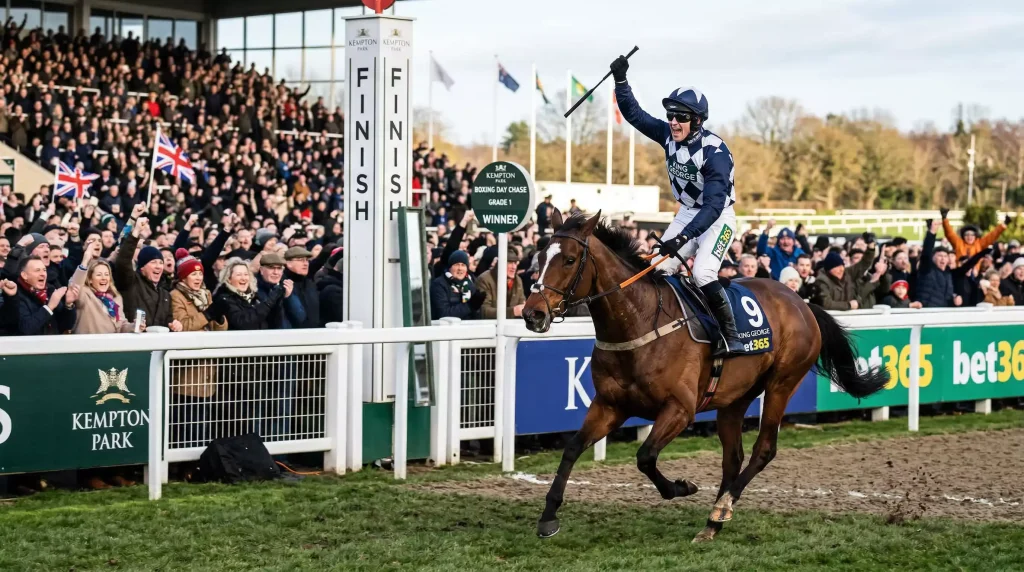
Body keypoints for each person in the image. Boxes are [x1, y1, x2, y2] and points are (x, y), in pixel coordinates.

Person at [611, 54, 741, 355]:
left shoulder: (715, 152)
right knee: (657, 269)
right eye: (671, 115)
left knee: (703, 274)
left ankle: (731, 336)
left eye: (681, 117)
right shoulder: (667, 136)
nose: (673, 122)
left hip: (717, 217)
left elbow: (712, 207)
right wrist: (621, 81)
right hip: (687, 212)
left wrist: (683, 237)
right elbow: (635, 115)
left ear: (697, 121)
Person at [115, 203, 179, 331]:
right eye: (153, 262)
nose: (159, 266)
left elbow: (167, 320)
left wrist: (174, 325)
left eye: (160, 263)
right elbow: (123, 260)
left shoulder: (165, 294)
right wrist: (136, 232)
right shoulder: (131, 282)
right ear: (142, 267)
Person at [69, 240, 135, 334]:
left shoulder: (116, 298)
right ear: (90, 279)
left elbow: (121, 326)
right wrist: (85, 260)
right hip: (88, 346)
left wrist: (134, 326)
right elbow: (75, 286)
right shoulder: (85, 294)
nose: (104, 278)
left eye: (106, 274)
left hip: (110, 346)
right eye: (99, 275)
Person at [8, 255, 78, 335]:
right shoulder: (15, 296)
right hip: (29, 346)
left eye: (44, 270)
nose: (43, 274)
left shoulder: (50, 291)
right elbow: (26, 328)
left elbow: (65, 326)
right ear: (24, 275)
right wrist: (49, 307)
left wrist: (68, 305)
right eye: (37, 270)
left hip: (52, 345)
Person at [915, 220, 961, 308]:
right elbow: (926, 252)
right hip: (927, 311)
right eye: (940, 256)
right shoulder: (927, 269)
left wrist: (955, 299)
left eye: (945, 256)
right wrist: (932, 233)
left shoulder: (948, 274)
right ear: (933, 258)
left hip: (943, 313)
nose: (943, 258)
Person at [430, 250, 485, 320]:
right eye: (456, 265)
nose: (460, 268)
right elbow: (443, 314)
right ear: (450, 268)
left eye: (463, 265)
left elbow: (476, 314)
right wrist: (469, 306)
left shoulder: (470, 283)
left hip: (469, 327)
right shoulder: (439, 285)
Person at [940, 208, 1008, 261]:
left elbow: (992, 235)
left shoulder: (979, 244)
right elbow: (950, 234)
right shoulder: (958, 243)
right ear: (963, 236)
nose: (969, 237)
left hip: (974, 275)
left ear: (975, 236)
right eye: (967, 234)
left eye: (972, 234)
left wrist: (1003, 225)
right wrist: (944, 219)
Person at [477, 247, 526, 319]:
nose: (514, 267)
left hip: (511, 326)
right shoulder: (484, 280)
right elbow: (484, 311)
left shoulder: (518, 280)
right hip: (490, 327)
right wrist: (513, 311)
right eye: (509, 262)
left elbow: (522, 303)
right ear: (500, 264)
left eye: (515, 263)